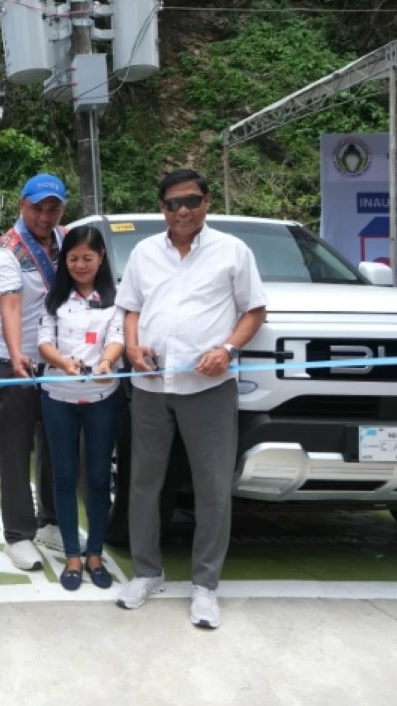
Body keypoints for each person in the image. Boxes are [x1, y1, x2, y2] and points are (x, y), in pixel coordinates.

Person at [114, 168, 267, 629]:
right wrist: (133, 346)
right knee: (143, 482)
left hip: (209, 387)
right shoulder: (144, 252)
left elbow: (254, 310)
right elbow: (131, 309)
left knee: (213, 487)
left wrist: (228, 349)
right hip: (149, 386)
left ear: (207, 202)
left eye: (191, 202)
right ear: (161, 208)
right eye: (172, 204)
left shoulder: (232, 251)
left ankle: (205, 586)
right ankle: (147, 572)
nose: (182, 211)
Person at [37, 226, 125, 591]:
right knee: (63, 476)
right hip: (58, 397)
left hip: (103, 397)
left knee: (98, 477)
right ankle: (72, 555)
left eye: (88, 258)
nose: (80, 265)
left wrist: (106, 362)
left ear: (101, 258)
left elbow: (118, 338)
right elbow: (43, 343)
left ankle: (94, 554)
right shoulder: (53, 301)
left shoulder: (114, 301)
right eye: (73, 258)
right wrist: (62, 363)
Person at [0, 173, 67, 569]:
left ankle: (50, 520)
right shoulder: (6, 250)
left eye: (53, 208)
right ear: (22, 206)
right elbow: (11, 305)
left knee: (55, 442)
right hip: (12, 359)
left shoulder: (68, 241)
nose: (45, 216)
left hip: (58, 360)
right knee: (15, 448)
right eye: (37, 207)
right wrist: (18, 354)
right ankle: (18, 534)